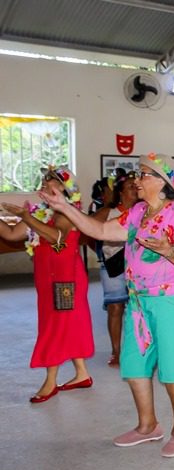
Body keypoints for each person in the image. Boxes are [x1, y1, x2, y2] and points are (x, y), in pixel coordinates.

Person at [41, 153, 174, 458]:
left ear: (162, 181)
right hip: (138, 301)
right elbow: (100, 231)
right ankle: (147, 426)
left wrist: (170, 251)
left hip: (170, 301)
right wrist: (64, 207)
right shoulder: (138, 211)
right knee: (134, 363)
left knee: (171, 366)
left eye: (143, 175)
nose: (136, 180)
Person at [0, 166, 94, 403]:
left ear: (64, 188)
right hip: (47, 280)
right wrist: (25, 218)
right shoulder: (42, 213)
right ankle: (82, 374)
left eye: (49, 181)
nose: (43, 184)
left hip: (65, 282)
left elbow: (57, 239)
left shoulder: (67, 213)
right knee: (64, 324)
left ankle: (50, 381)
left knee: (55, 326)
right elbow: (12, 234)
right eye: (43, 181)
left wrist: (27, 218)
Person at [92, 171, 139, 367]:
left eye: (136, 186)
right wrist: (102, 253)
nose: (135, 190)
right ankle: (116, 351)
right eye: (130, 187)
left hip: (138, 268)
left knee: (139, 309)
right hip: (113, 267)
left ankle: (139, 348)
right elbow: (87, 230)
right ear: (120, 192)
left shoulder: (143, 211)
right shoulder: (107, 213)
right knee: (115, 308)